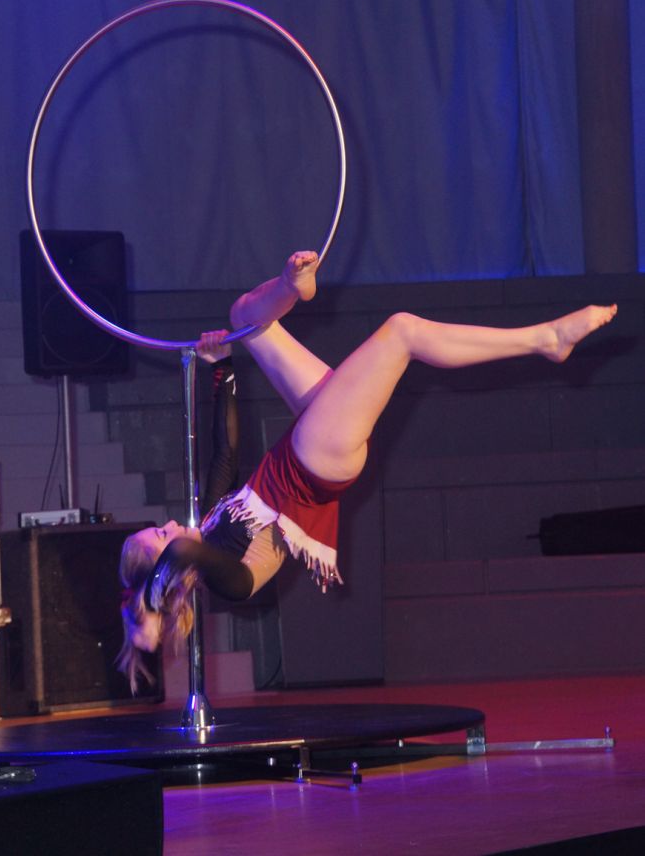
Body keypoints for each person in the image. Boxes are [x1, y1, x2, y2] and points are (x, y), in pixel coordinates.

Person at [118, 251, 617, 691]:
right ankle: (545, 339)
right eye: (159, 534)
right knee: (402, 331)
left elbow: (225, 454)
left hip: (306, 440)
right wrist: (149, 611)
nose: (170, 525)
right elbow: (182, 552)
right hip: (317, 460)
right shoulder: (227, 581)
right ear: (168, 575)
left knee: (246, 317)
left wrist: (221, 367)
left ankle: (293, 287)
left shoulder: (209, 523)